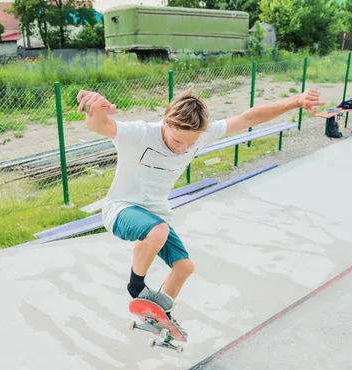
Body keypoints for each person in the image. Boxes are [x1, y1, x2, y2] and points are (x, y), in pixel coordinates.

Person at [77, 86, 323, 335]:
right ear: (165, 123)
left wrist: (295, 102)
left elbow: (248, 118)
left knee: (184, 268)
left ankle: (161, 317)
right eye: (176, 140)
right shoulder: (139, 134)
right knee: (158, 231)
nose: (182, 148)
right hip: (120, 209)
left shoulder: (203, 134)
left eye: (189, 144)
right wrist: (96, 108)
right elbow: (100, 126)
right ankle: (136, 286)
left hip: (156, 215)